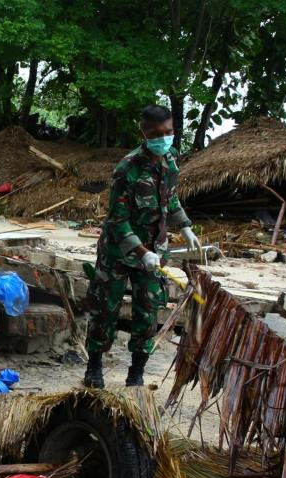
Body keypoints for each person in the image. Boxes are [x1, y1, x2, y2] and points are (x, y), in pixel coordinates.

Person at [83, 104, 201, 388]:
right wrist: (140, 252)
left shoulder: (171, 159)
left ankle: (136, 372)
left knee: (148, 311)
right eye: (157, 133)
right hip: (118, 252)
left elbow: (170, 198)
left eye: (169, 132)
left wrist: (184, 226)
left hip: (154, 251)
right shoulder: (128, 168)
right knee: (104, 309)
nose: (164, 138)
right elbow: (117, 221)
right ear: (143, 132)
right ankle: (95, 366)